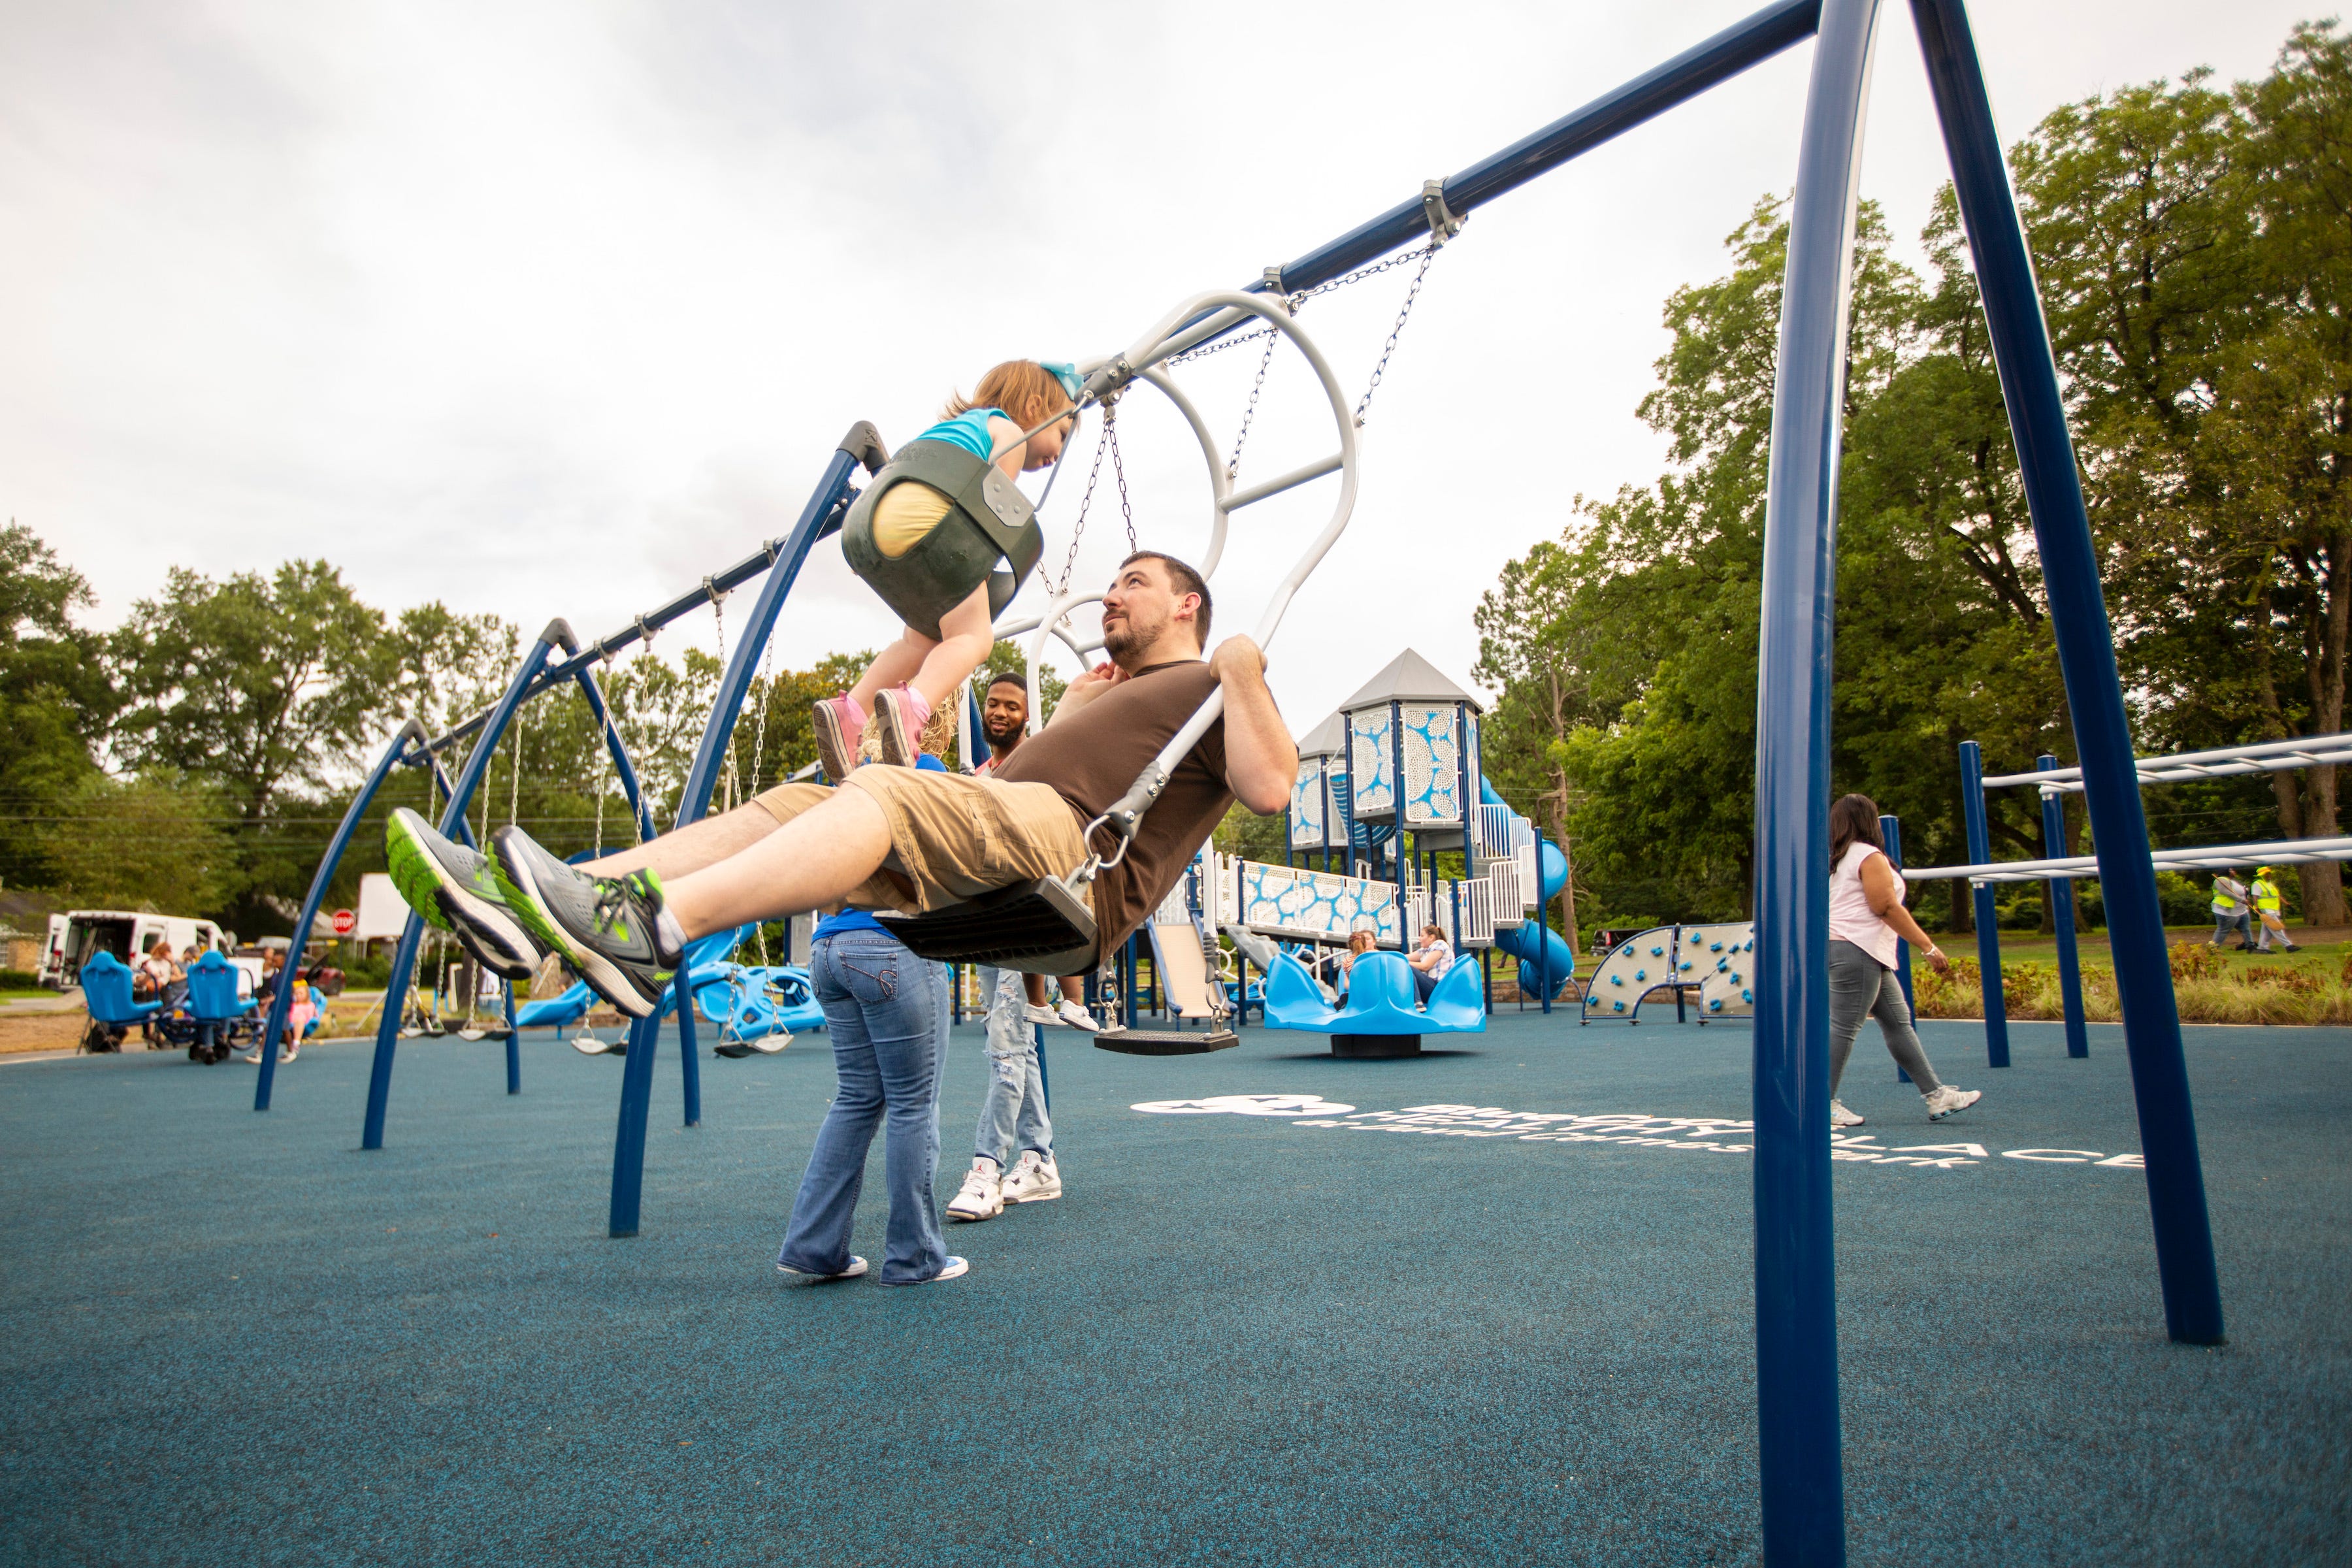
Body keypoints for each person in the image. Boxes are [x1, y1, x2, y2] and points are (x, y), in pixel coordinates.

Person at [383, 551, 1296, 1045]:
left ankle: (655, 933)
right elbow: (994, 804)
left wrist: (1244, 668)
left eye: (1134, 582)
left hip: (1073, 865)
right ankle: (541, 904)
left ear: (1188, 606)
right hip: (1008, 839)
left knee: (882, 789)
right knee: (797, 802)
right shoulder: (1109, 694)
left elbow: (1270, 784)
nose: (1110, 595)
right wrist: (1067, 710)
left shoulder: (1215, 687)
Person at [812, 362, 1081, 777]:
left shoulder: (957, 429)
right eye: (1062, 434)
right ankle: (911, 709)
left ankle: (851, 710)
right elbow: (987, 517)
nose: (1059, 452)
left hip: (873, 524)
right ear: (1035, 405)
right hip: (934, 518)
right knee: (975, 635)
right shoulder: (1008, 432)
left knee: (923, 637)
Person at [773, 889, 966, 1285]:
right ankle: (915, 1258)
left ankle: (812, 1248)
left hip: (827, 948)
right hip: (894, 940)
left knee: (856, 1097)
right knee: (913, 1103)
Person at [1825, 792, 1980, 1128]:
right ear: (1869, 820)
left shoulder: (1838, 859)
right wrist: (1927, 946)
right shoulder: (1868, 856)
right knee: (1845, 1027)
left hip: (1861, 951)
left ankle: (1936, 1095)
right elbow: (1886, 907)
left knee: (1897, 1023)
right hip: (1857, 949)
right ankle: (1821, 1101)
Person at [973, 669, 1101, 1034]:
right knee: (1029, 936)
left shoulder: (1039, 755)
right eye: (993, 704)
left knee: (1061, 918)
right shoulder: (983, 774)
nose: (999, 712)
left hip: (1042, 861)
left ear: (1027, 716)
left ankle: (1072, 1001)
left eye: (1012, 707)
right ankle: (1041, 1003)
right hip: (1001, 894)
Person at [945, 964, 1060, 1223]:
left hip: (1024, 942)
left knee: (1006, 1048)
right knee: (1019, 1044)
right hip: (990, 936)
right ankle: (1039, 1162)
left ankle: (987, 1167)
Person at [2249, 866, 2301, 953]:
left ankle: (2262, 948)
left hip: (2273, 909)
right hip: (2266, 909)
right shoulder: (2257, 884)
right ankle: (2288, 946)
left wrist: (2288, 905)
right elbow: (2255, 897)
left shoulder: (2270, 884)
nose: (2269, 875)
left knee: (2267, 930)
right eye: (2267, 874)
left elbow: (2278, 895)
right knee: (2276, 928)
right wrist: (2256, 907)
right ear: (2262, 875)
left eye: (2269, 873)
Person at [1405, 923, 1454, 1005]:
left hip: (1438, 989)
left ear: (1431, 937)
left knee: (1408, 967)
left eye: (1422, 936)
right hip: (1431, 987)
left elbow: (1425, 966)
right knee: (1407, 967)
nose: (1419, 939)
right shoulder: (1426, 950)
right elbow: (1404, 958)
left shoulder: (1440, 944)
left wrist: (1404, 963)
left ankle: (1418, 1002)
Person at [2209, 872, 2254, 951]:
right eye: (2231, 870)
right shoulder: (2220, 880)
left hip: (2241, 910)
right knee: (2223, 930)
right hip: (2226, 910)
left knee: (2245, 928)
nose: (2234, 872)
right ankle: (2213, 949)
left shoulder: (2233, 882)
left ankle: (2250, 946)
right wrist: (2241, 900)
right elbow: (2227, 893)